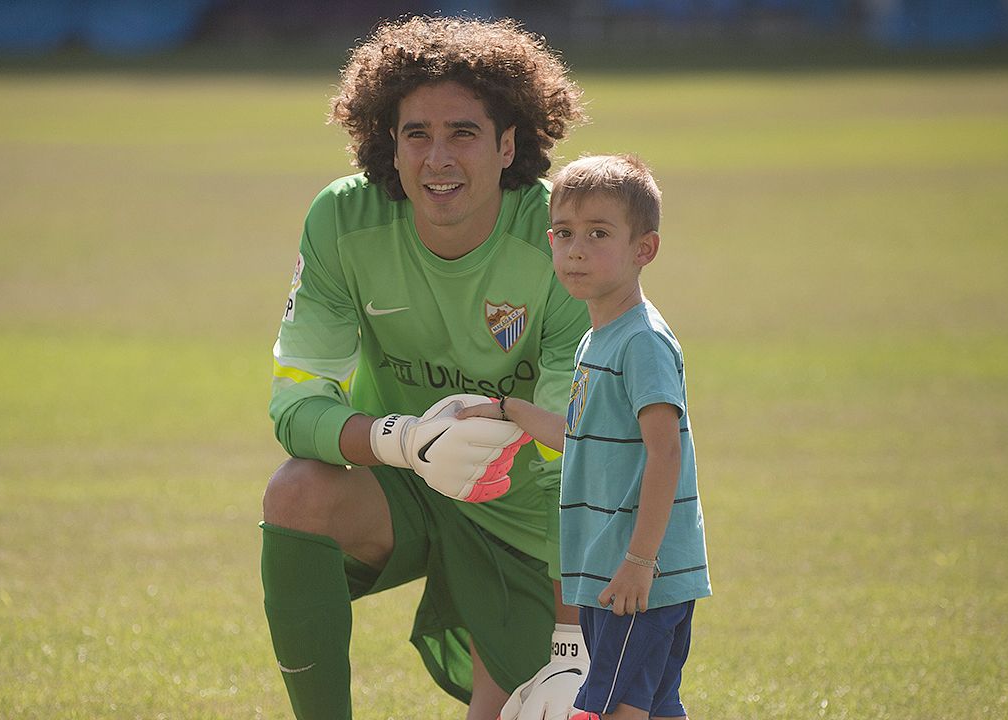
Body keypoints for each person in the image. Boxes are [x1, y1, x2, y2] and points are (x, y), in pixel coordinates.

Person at [261, 15, 592, 720]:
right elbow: (294, 408)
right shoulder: (342, 222)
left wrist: (570, 644)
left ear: (508, 145)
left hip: (526, 518)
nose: (437, 158)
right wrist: (406, 440)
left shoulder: (561, 241)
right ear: (390, 142)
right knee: (297, 494)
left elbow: (580, 453)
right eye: (417, 134)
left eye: (463, 133)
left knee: (525, 712)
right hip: (404, 486)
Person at [458, 154, 711, 719]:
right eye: (565, 233)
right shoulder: (594, 340)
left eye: (598, 234)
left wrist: (641, 561)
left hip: (639, 572)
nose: (575, 250)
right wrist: (507, 410)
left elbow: (665, 454)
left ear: (643, 249)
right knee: (653, 706)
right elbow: (579, 437)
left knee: (608, 708)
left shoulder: (640, 343)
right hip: (607, 568)